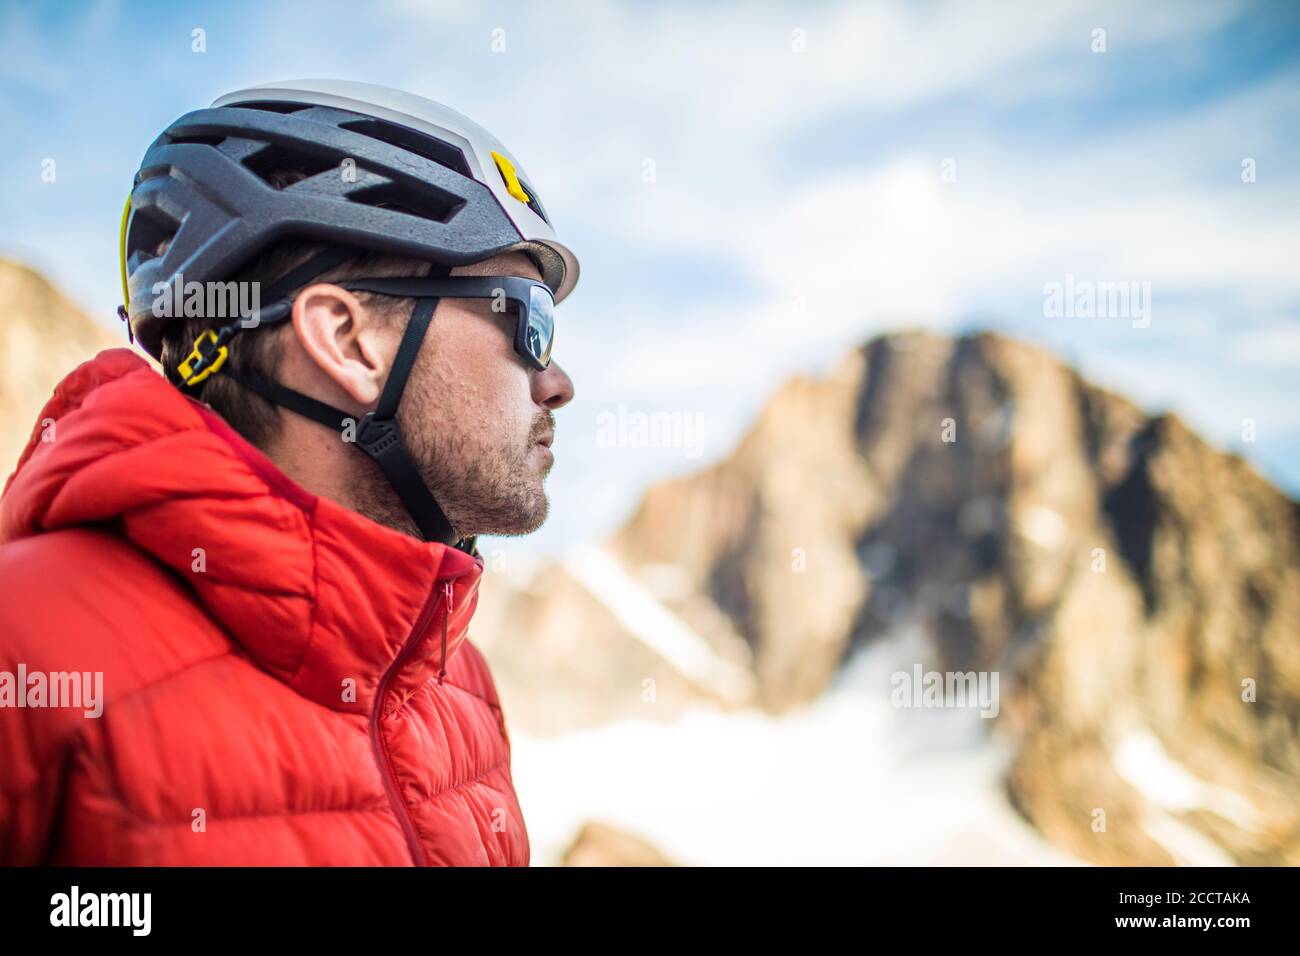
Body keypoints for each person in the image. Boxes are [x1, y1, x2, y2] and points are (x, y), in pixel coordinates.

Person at [0, 79, 578, 865]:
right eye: (527, 322)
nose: (557, 382)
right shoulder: (27, 646)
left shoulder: (452, 678)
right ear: (345, 339)